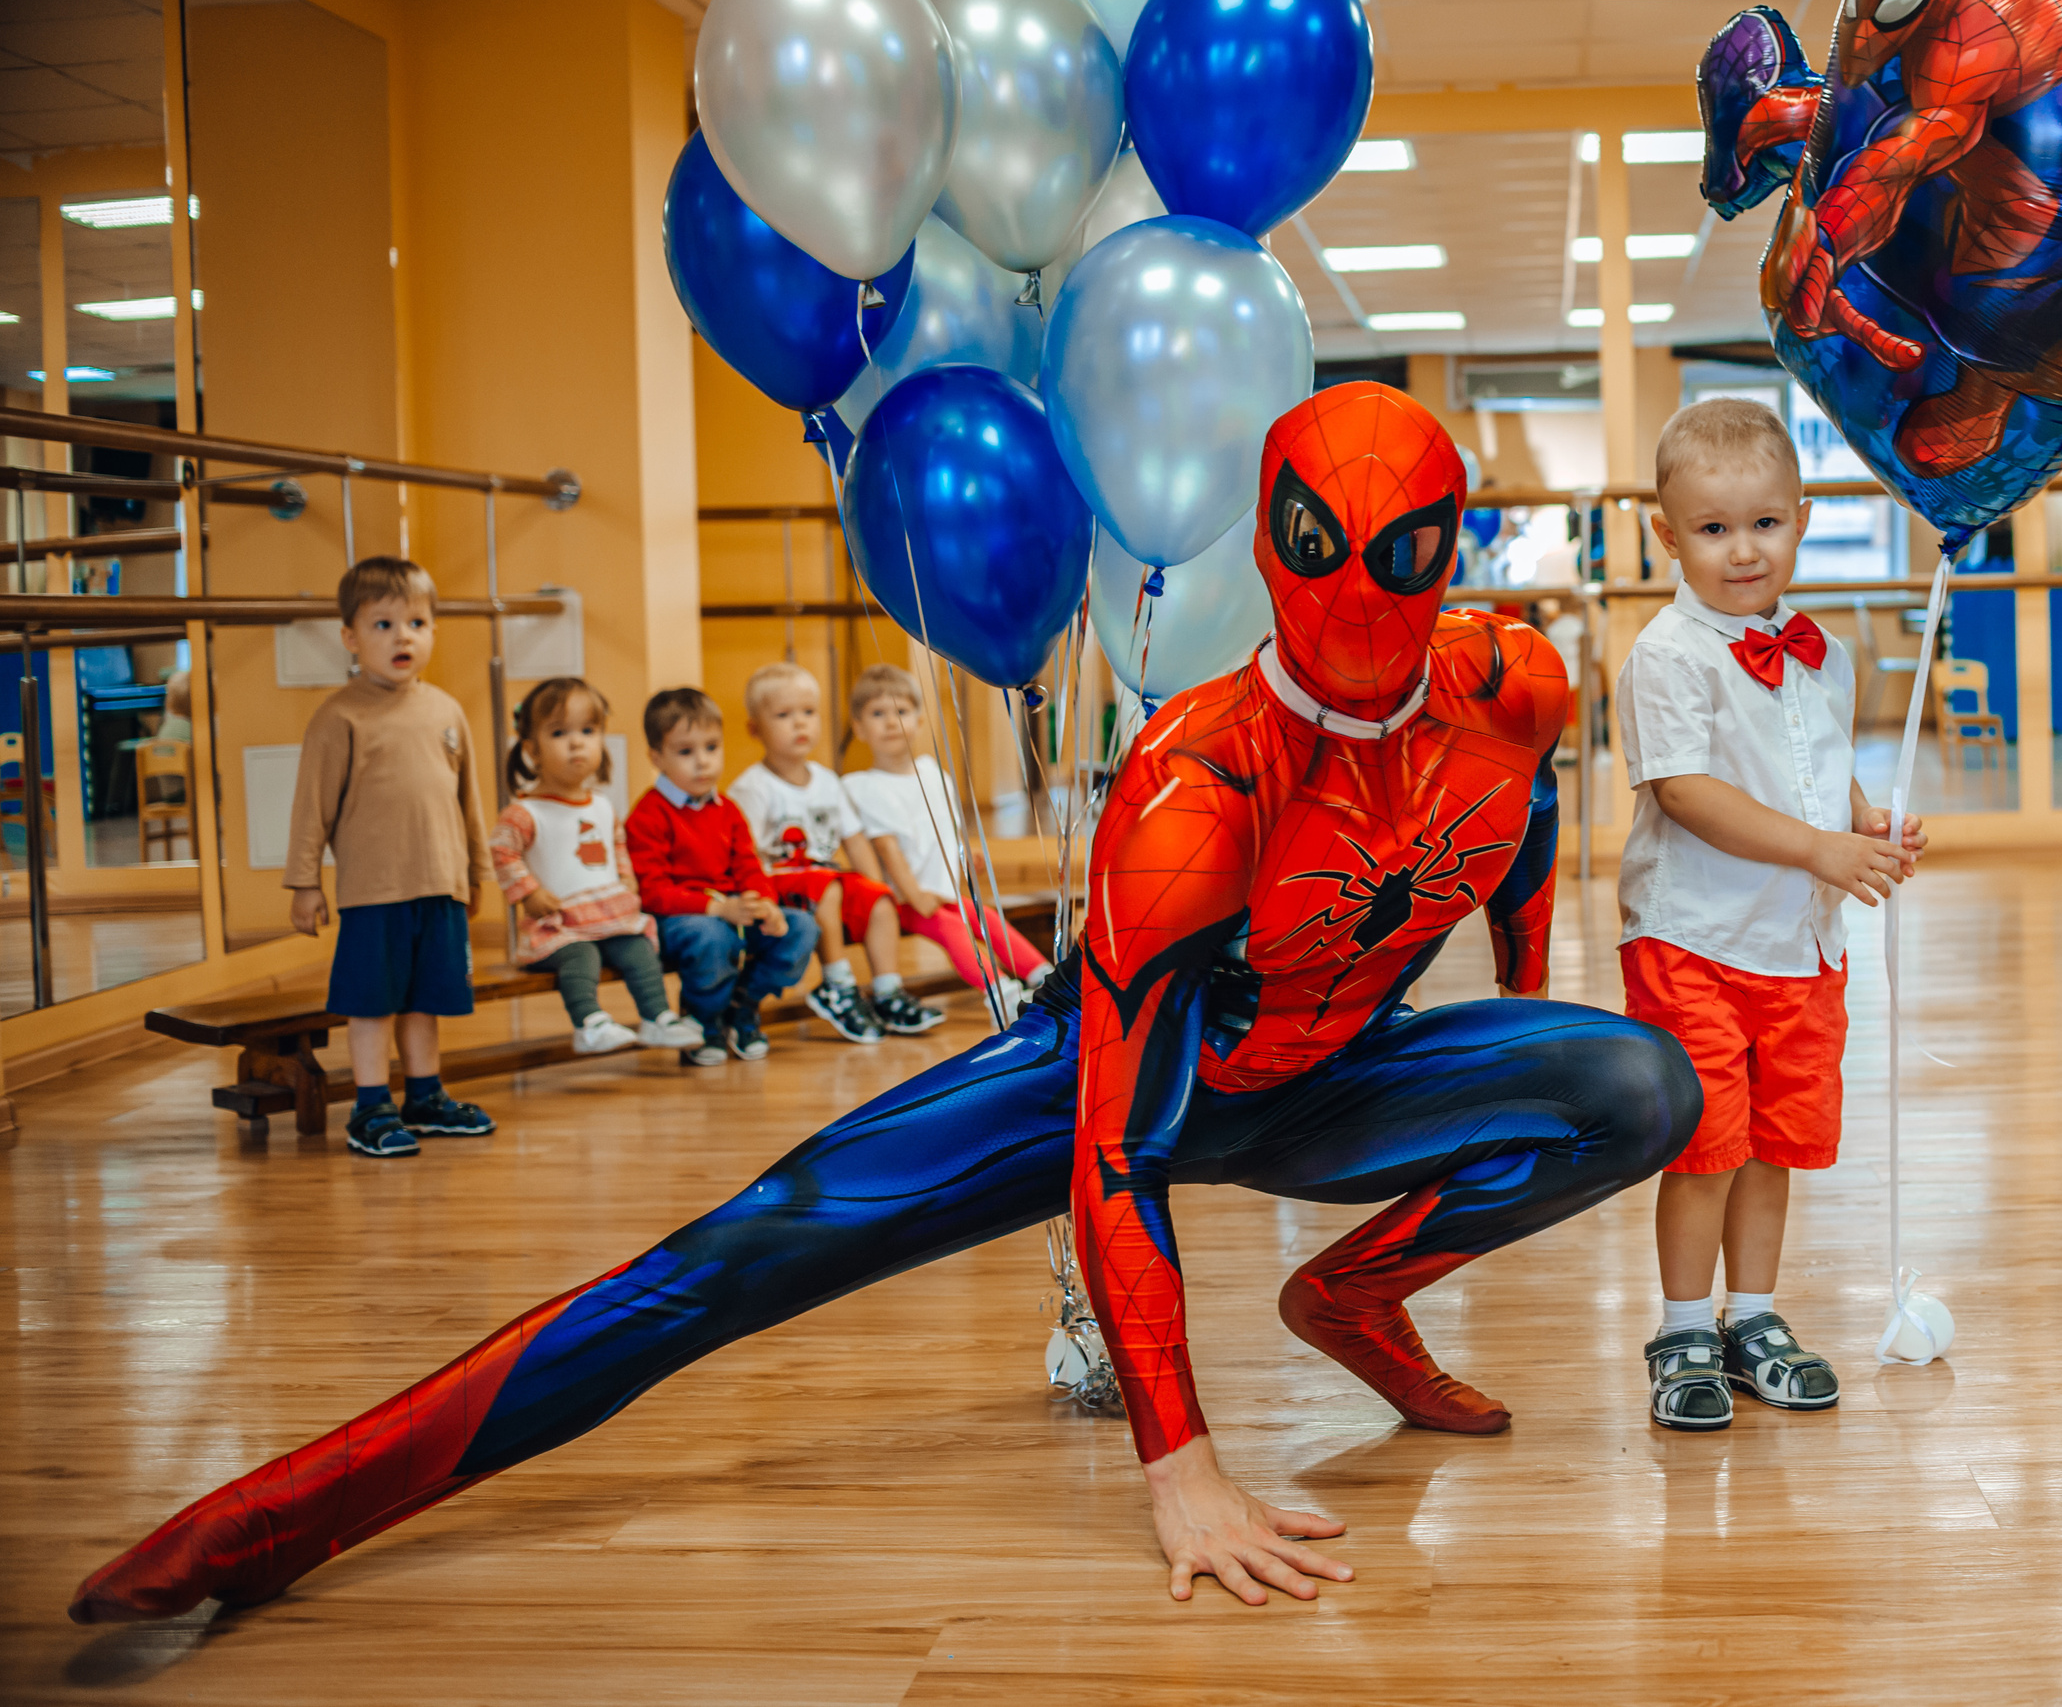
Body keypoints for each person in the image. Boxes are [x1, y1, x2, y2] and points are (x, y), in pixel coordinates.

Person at [67, 384, 1702, 1626]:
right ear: (1269, 532)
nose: (1358, 599)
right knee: (713, 1270)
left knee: (1639, 1085)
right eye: (1321, 548)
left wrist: (1515, 986)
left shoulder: (1517, 686)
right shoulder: (1192, 783)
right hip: (1098, 1084)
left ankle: (1351, 1297)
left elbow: (1523, 828)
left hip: (1338, 1068)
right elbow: (1118, 1158)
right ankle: (261, 1525)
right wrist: (1179, 1457)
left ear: (1456, 544)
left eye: (1402, 553)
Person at [1618, 398, 1926, 1433]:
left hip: (1800, 942)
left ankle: (1749, 1316)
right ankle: (1680, 1326)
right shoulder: (1668, 654)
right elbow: (1686, 792)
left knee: (1772, 1143)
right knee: (1704, 1142)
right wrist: (1817, 847)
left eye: (1762, 523)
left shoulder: (1823, 654)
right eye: (1710, 529)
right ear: (1667, 535)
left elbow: (1814, 774)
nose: (1741, 550)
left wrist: (1863, 823)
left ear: (1800, 517)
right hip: (1692, 939)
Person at [283, 556, 497, 1159]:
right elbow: (311, 809)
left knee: (427, 998)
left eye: (417, 623)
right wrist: (305, 882)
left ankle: (425, 1096)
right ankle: (371, 1104)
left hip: (440, 887)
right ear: (350, 636)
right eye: (383, 625)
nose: (403, 636)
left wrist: (475, 872)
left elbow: (468, 801)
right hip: (374, 895)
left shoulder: (447, 711)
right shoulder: (339, 717)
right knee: (373, 1004)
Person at [725, 661, 942, 1045]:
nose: (800, 724)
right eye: (784, 715)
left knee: (877, 899)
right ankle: (836, 985)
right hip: (778, 884)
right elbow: (742, 853)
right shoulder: (753, 788)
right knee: (828, 885)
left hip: (823, 881)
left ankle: (887, 991)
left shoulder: (827, 780)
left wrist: (878, 889)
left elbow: (855, 840)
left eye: (808, 713)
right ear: (754, 729)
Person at [489, 676, 703, 1058]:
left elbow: (616, 844)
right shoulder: (525, 812)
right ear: (532, 750)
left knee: (639, 948)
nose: (577, 742)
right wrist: (529, 892)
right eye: (559, 732)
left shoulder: (602, 805)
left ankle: (658, 1018)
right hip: (559, 925)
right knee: (580, 957)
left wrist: (625, 877)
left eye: (588, 730)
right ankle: (590, 1022)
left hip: (607, 915)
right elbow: (503, 853)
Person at [840, 664, 1051, 1015]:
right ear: (859, 728)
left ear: (919, 720)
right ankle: (1001, 993)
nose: (891, 722)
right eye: (878, 714)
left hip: (944, 892)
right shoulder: (864, 787)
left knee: (987, 918)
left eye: (901, 711)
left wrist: (964, 855)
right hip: (906, 899)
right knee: (956, 931)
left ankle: (1044, 975)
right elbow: (887, 850)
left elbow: (948, 826)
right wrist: (915, 895)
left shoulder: (932, 772)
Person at [622, 687, 818, 1064]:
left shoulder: (726, 808)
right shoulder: (649, 815)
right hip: (681, 919)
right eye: (686, 752)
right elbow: (653, 893)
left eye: (712, 748)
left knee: (800, 928)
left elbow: (747, 865)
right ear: (656, 757)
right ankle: (703, 1021)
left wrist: (764, 903)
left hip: (734, 910)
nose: (703, 763)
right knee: (711, 937)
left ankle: (741, 1007)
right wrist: (718, 908)